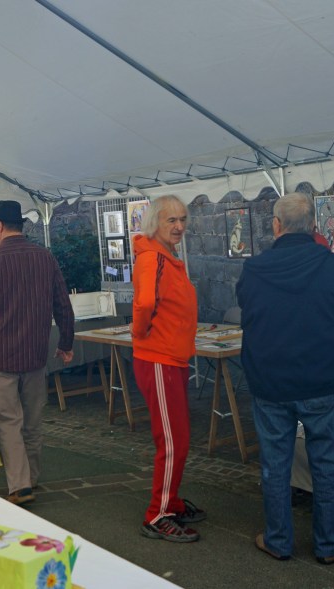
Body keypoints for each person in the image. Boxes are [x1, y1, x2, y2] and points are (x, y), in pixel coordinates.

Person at [237, 193, 334, 564]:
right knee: (325, 464)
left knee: (275, 465)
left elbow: (248, 315)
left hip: (271, 377)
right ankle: (329, 544)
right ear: (313, 227)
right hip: (320, 376)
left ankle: (278, 540)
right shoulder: (333, 265)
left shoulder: (255, 268)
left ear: (276, 225)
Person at [0, 200, 74, 506]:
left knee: (9, 421)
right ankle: (31, 477)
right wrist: (66, 343)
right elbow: (63, 304)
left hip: (0, 357)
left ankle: (20, 485)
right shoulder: (44, 257)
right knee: (33, 420)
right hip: (35, 355)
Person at [130, 194, 206, 543]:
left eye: (182, 219)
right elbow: (145, 302)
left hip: (171, 357)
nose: (179, 226)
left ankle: (170, 501)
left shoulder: (166, 256)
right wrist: (141, 332)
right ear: (155, 223)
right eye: (171, 220)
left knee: (178, 436)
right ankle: (157, 514)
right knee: (173, 440)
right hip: (159, 358)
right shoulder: (152, 257)